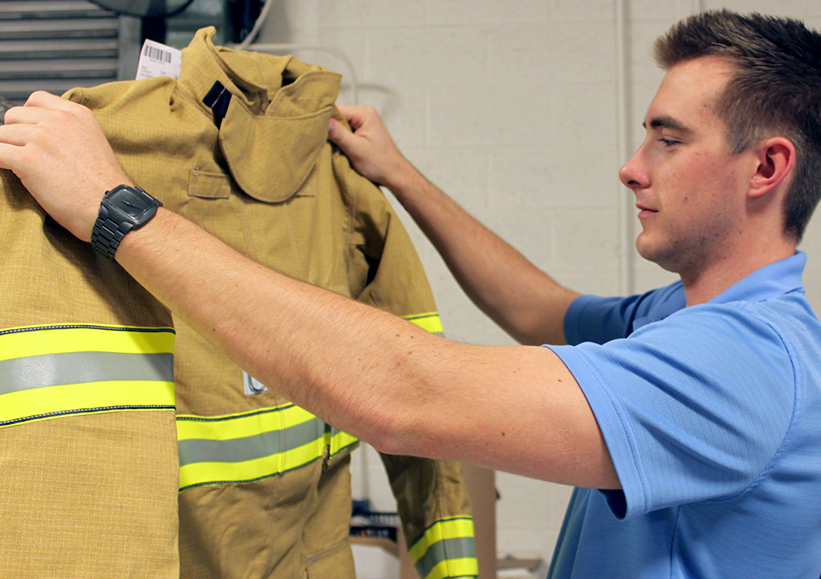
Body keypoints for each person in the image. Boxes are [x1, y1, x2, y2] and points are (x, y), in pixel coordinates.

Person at [0, 8, 819, 579]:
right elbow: (534, 309)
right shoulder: (686, 317)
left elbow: (400, 394)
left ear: (766, 167)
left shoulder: (739, 365)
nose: (632, 164)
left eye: (667, 138)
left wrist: (116, 210)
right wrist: (398, 176)